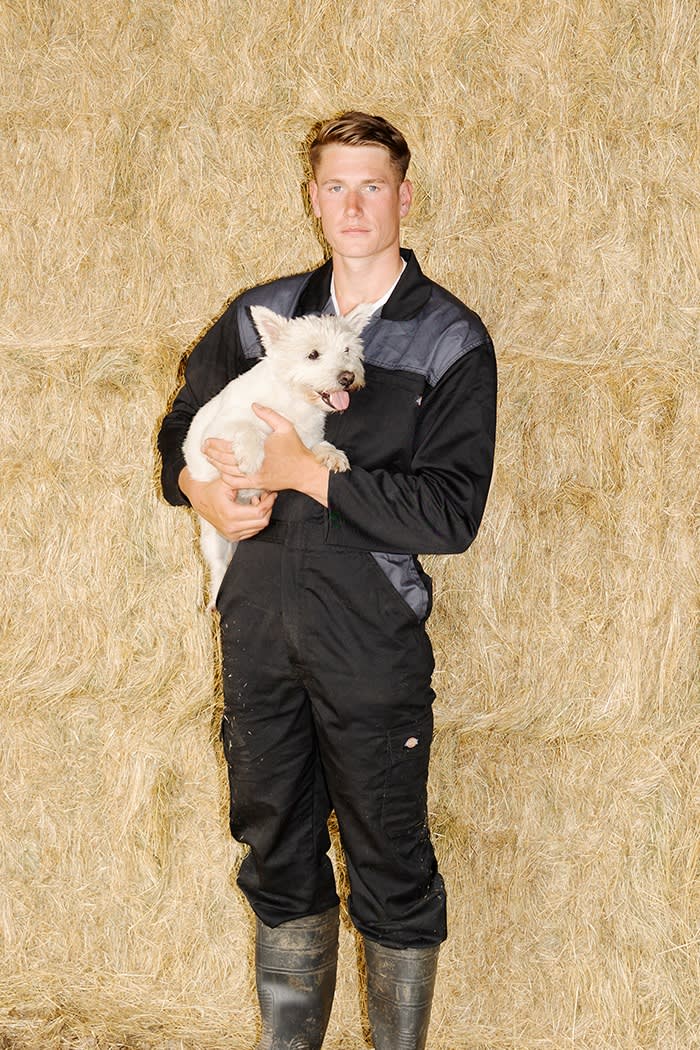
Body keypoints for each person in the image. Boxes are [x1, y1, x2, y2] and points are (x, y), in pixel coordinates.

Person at [158, 111, 497, 1050]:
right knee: (274, 844)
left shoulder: (447, 338)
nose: (353, 204)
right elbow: (175, 436)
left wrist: (306, 475)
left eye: (372, 184)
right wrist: (201, 492)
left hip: (368, 630)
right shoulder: (259, 316)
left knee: (388, 854)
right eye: (335, 185)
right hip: (259, 623)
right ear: (312, 197)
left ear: (404, 195)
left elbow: (451, 514)